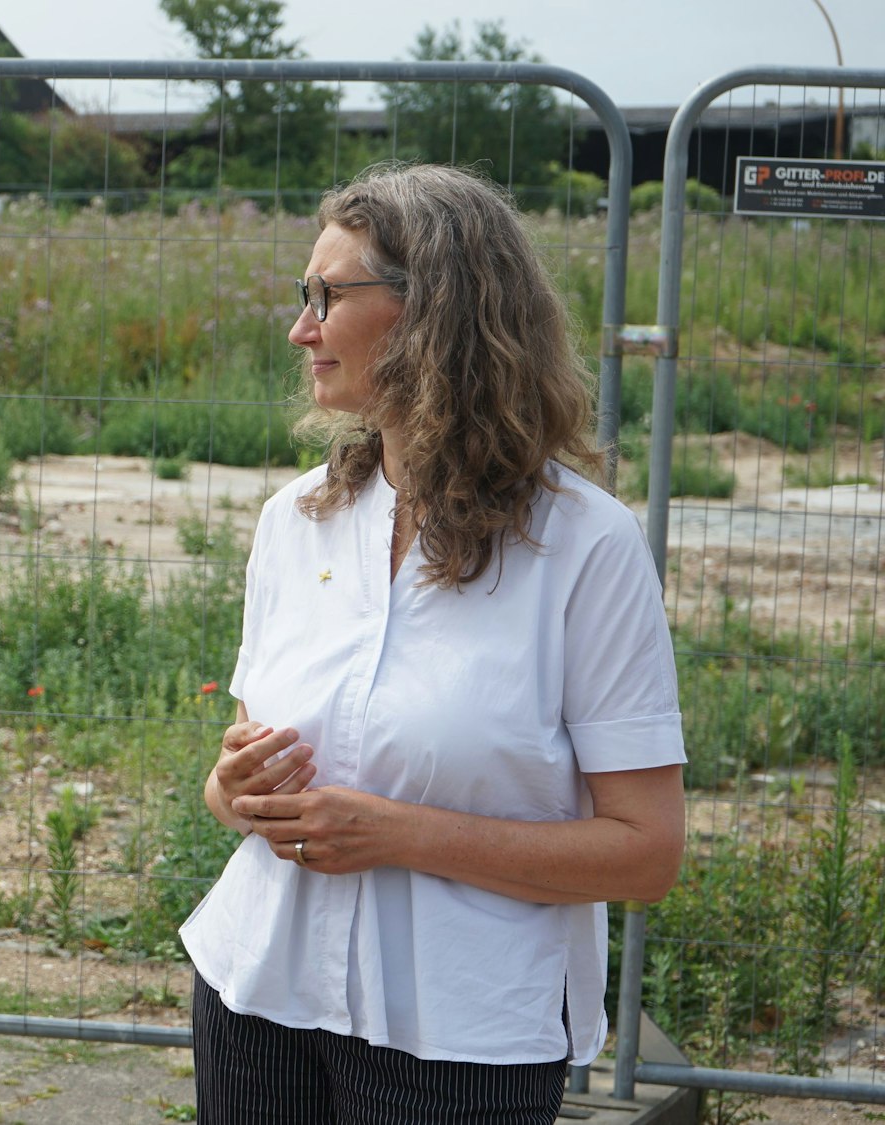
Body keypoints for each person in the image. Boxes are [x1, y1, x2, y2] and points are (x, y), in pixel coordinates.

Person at [179, 163, 685, 1124]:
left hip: (463, 1035)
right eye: (304, 296)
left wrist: (398, 835)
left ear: (434, 314)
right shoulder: (295, 521)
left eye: (327, 296)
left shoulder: (586, 546)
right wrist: (232, 788)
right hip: (257, 992)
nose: (300, 329)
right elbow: (241, 783)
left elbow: (645, 853)